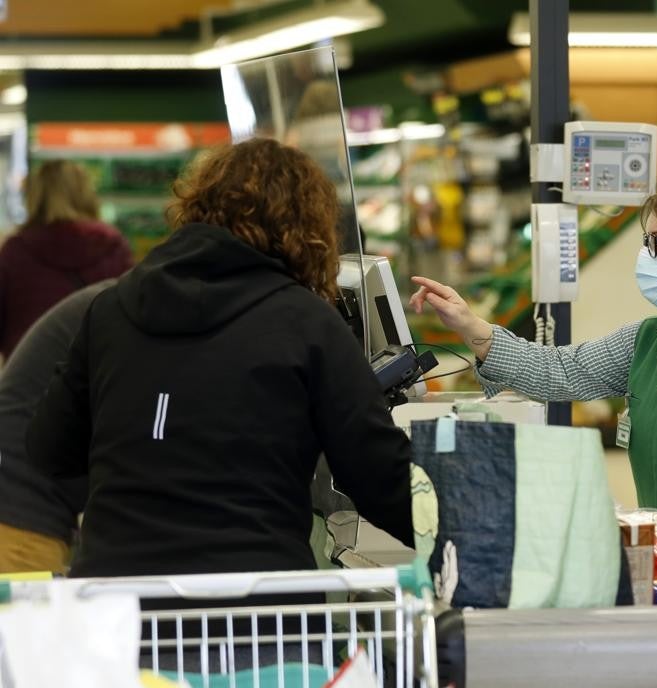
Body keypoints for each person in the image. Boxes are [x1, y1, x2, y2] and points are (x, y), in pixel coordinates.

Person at [27, 138, 414, 580]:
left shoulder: (112, 310)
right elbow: (379, 477)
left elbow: (48, 448)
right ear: (307, 227)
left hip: (121, 608)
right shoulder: (308, 324)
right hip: (254, 611)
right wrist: (466, 532)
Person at [410, 173, 657, 560]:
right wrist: (470, 326)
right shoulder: (651, 339)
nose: (647, 255)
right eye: (646, 241)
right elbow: (559, 371)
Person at [0, 281, 112, 574]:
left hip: (23, 508)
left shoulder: (107, 306)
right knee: (26, 619)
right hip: (20, 517)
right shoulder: (123, 316)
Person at [0, 160, 131, 358]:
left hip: (31, 372)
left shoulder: (15, 250)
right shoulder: (112, 245)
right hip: (94, 371)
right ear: (85, 192)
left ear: (34, 196)